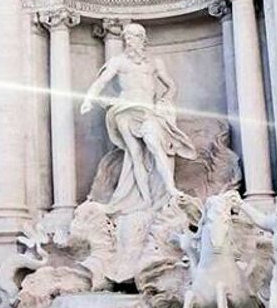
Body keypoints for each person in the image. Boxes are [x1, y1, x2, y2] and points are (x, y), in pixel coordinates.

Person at [81, 23, 196, 211]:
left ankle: (170, 188)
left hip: (148, 111)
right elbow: (100, 82)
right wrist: (88, 99)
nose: (128, 41)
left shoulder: (154, 63)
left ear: (142, 39)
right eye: (126, 38)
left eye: (132, 37)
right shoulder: (119, 61)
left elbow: (171, 86)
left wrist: (164, 100)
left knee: (154, 144)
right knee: (135, 155)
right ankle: (146, 200)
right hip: (124, 110)